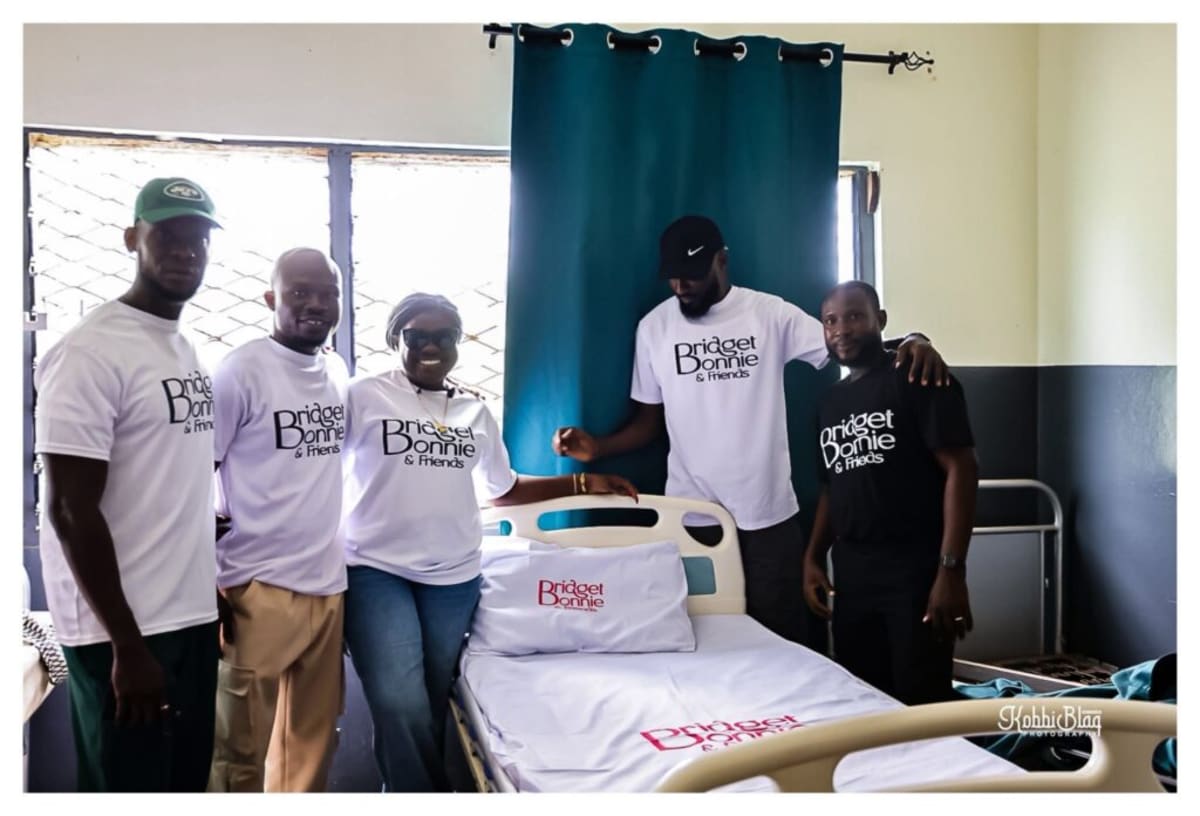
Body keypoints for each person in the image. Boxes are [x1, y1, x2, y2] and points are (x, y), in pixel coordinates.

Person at [553, 214, 948, 646]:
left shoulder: (768, 314)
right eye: (674, 278)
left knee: (781, 640)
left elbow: (846, 343)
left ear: (722, 261)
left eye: (694, 275)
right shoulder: (654, 329)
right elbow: (649, 423)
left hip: (769, 513)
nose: (682, 286)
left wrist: (914, 339)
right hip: (691, 515)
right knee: (699, 636)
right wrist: (600, 447)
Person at [340, 292, 638, 792]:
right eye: (416, 337)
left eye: (444, 337)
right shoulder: (362, 395)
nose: (430, 346)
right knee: (398, 700)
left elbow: (505, 490)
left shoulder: (475, 411)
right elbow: (317, 465)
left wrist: (585, 483)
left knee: (432, 698)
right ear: (396, 341)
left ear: (458, 343)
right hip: (376, 569)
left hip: (452, 580)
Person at [35, 177, 222, 791]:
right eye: (167, 233)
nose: (185, 249)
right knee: (127, 785)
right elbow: (68, 508)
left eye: (198, 237)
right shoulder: (89, 351)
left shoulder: (182, 346)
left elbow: (170, 486)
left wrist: (205, 588)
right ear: (132, 239)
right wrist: (126, 645)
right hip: (124, 633)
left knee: (183, 783)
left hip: (185, 617)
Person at [208, 248, 349, 792]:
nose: (315, 304)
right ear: (271, 299)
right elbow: (199, 472)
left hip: (327, 587)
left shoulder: (335, 368)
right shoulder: (240, 370)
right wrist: (207, 574)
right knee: (238, 750)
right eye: (299, 293)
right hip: (257, 588)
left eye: (327, 294)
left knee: (310, 747)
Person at [803, 281, 976, 705]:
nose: (841, 328)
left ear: (880, 321)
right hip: (853, 573)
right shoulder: (829, 402)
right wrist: (812, 557)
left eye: (855, 316)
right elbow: (832, 485)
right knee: (863, 698)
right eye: (830, 320)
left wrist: (951, 571)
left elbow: (962, 469)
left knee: (921, 698)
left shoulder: (918, 376)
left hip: (915, 571)